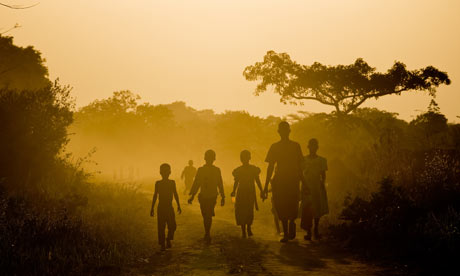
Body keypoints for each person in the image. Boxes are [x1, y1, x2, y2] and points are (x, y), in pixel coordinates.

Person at [262, 121, 305, 243]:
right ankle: (286, 232)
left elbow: (300, 167)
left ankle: (291, 225)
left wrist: (304, 182)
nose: (284, 133)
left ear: (288, 132)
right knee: (281, 206)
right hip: (281, 180)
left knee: (292, 204)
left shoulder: (295, 146)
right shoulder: (275, 147)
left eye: (285, 130)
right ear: (279, 132)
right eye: (282, 131)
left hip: (292, 179)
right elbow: (270, 167)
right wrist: (266, 185)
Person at [188, 150, 225, 243]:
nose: (209, 159)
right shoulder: (206, 170)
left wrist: (223, 196)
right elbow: (197, 183)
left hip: (209, 196)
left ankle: (207, 233)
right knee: (206, 215)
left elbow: (219, 183)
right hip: (206, 196)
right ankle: (207, 231)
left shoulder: (207, 170)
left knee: (206, 216)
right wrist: (192, 196)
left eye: (210, 157)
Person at [230, 150, 263, 238]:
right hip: (245, 193)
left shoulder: (241, 170)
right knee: (246, 211)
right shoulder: (251, 169)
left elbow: (257, 181)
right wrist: (233, 191)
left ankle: (246, 229)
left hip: (245, 193)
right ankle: (246, 229)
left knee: (244, 211)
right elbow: (237, 182)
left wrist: (262, 190)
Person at [301, 138, 328, 240]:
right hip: (307, 187)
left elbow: (323, 175)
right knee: (307, 209)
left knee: (317, 208)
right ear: (308, 147)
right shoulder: (303, 160)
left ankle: (316, 229)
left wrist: (322, 183)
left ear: (317, 148)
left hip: (317, 187)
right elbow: (301, 174)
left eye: (314, 146)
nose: (312, 148)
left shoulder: (322, 160)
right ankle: (309, 231)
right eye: (311, 146)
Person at [150, 163, 182, 251]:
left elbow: (175, 194)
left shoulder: (172, 183)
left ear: (169, 172)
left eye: (167, 172)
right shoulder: (158, 183)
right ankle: (162, 244)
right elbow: (155, 196)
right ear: (161, 173)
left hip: (169, 207)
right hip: (161, 207)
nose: (165, 173)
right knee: (161, 227)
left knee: (172, 226)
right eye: (164, 172)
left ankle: (168, 239)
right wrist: (152, 208)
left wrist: (179, 205)